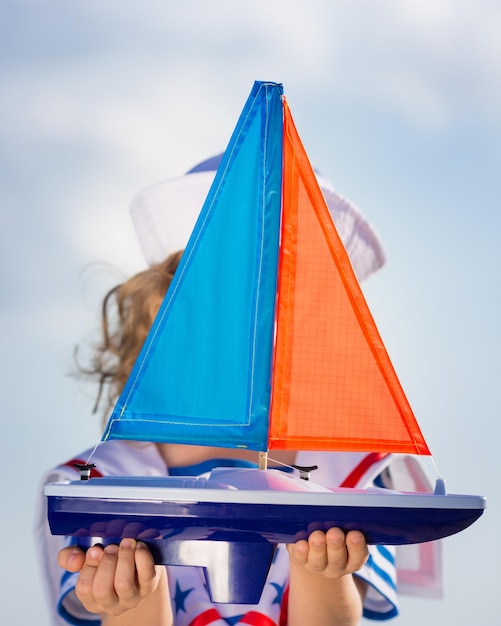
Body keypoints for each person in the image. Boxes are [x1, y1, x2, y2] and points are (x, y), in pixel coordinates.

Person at [36, 155, 400, 626]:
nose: (252, 325)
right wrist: (134, 595)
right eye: (222, 292)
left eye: (289, 298)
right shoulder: (101, 480)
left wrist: (324, 572)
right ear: (161, 313)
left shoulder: (352, 473)